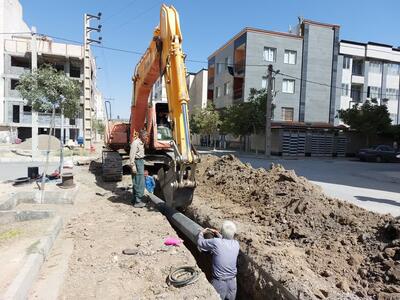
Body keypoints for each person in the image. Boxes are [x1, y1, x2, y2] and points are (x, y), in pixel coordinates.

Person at [197, 221, 240, 300]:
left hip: (220, 283)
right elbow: (226, 241)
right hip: (233, 283)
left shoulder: (216, 242)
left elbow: (200, 243)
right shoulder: (236, 244)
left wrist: (201, 233)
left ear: (222, 232)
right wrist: (218, 234)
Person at [129, 130, 148, 208]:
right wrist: (133, 166)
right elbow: (132, 155)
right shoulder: (135, 143)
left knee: (136, 181)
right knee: (139, 182)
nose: (146, 138)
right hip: (137, 163)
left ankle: (134, 199)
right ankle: (138, 202)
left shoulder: (141, 143)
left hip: (140, 162)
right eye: (145, 136)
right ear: (141, 136)